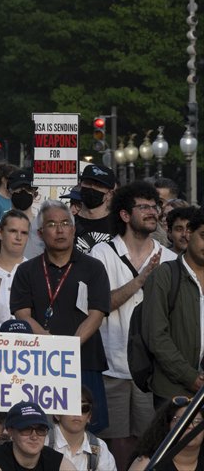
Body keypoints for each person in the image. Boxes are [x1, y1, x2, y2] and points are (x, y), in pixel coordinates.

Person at [89, 181, 174, 468]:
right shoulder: (102, 254)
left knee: (149, 440)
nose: (152, 212)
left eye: (154, 206)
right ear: (125, 215)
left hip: (152, 370)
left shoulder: (170, 259)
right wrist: (140, 280)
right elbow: (98, 305)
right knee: (115, 441)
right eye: (144, 207)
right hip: (110, 366)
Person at [12, 200, 111, 433]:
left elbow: (97, 314)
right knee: (40, 429)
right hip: (40, 364)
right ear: (40, 233)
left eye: (66, 223)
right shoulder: (26, 270)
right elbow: (22, 313)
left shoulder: (94, 267)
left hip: (84, 360)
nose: (60, 230)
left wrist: (69, 348)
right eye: (52, 224)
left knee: (85, 430)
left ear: (73, 229)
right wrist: (49, 344)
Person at [141, 208, 204, 406]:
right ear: (189, 233)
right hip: (172, 391)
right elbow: (156, 336)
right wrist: (191, 378)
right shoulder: (164, 275)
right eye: (203, 236)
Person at [0, 401, 74, 470]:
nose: (34, 436)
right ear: (10, 431)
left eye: (40, 429)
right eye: (26, 429)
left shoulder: (54, 459)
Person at [0, 210, 32, 331]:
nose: (19, 237)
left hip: (28, 342)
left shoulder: (36, 272)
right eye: (13, 231)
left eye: (24, 233)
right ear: (0, 233)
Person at [128, 395, 204, 471]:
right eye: (181, 421)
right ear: (167, 426)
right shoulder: (147, 463)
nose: (190, 426)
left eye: (197, 421)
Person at [48, 387, 116, 471]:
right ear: (57, 414)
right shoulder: (43, 441)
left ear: (89, 416)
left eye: (84, 408)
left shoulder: (100, 449)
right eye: (72, 407)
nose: (77, 414)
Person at [75, 164, 118, 254]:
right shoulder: (68, 223)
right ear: (80, 185)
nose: (92, 188)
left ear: (109, 194)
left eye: (98, 185)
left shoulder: (120, 225)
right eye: (87, 183)